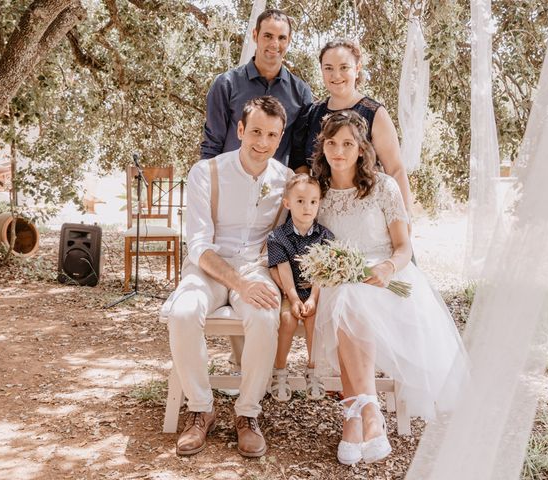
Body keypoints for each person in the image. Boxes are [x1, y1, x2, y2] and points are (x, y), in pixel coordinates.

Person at [310, 111, 468, 465]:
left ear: (362, 148)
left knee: (349, 300)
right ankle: (368, 414)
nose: (338, 151)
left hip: (389, 279)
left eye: (348, 143)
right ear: (322, 147)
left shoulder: (384, 187)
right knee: (346, 297)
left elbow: (404, 248)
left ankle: (356, 414)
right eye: (331, 143)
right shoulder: (317, 190)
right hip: (338, 282)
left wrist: (385, 268)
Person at [164, 96, 292, 458]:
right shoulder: (206, 172)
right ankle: (201, 408)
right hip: (209, 267)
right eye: (255, 132)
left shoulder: (286, 180)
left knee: (265, 315)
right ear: (239, 130)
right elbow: (199, 246)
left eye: (271, 135)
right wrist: (239, 284)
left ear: (280, 137)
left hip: (257, 267)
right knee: (183, 312)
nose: (262, 143)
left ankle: (248, 413)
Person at [290, 38, 414, 231]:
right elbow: (301, 168)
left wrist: (405, 218)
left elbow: (396, 169)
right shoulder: (311, 114)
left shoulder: (375, 113)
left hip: (367, 217)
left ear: (357, 69)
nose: (336, 75)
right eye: (328, 68)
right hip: (323, 216)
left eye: (344, 67)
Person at [200, 8, 312, 166]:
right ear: (255, 35)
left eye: (281, 38)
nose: (274, 44)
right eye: (268, 36)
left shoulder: (301, 93)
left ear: (289, 41)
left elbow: (298, 155)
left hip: (276, 189)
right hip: (229, 184)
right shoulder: (226, 84)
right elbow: (212, 145)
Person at [266, 174, 334, 402]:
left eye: (313, 202)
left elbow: (323, 273)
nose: (308, 207)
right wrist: (294, 298)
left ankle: (313, 370)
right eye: (300, 201)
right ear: (287, 203)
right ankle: (280, 371)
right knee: (287, 319)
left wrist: (313, 299)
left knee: (314, 320)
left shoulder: (325, 236)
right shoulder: (278, 236)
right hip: (290, 289)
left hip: (317, 291)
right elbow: (283, 270)